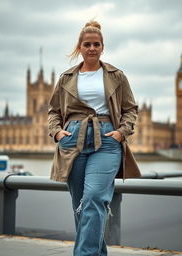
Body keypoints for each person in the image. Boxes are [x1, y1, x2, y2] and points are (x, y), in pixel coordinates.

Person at [48, 20, 141, 256]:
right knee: (80, 206)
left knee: (94, 199)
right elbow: (53, 111)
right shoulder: (66, 77)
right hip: (72, 140)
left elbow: (130, 109)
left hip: (107, 140)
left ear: (102, 47)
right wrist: (57, 132)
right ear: (79, 47)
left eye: (96, 44)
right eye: (87, 44)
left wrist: (122, 131)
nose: (92, 48)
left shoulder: (116, 75)